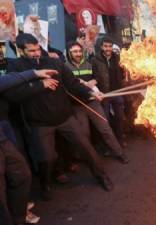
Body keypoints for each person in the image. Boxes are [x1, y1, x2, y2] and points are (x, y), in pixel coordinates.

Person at [5, 33, 114, 200]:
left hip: (65, 118)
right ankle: (45, 184)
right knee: (46, 158)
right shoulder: (15, 67)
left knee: (86, 147)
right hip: (39, 123)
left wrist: (90, 93)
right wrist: (40, 85)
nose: (36, 53)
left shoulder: (54, 62)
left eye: (38, 49)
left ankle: (102, 176)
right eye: (31, 51)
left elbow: (73, 84)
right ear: (20, 51)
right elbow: (13, 94)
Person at [0, 69, 58, 225]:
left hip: (3, 131)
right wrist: (34, 74)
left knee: (21, 174)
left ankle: (19, 215)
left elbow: (7, 81)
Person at [65, 41, 129, 164]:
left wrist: (94, 81)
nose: (78, 54)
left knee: (105, 128)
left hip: (93, 102)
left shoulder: (89, 64)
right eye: (74, 51)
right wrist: (82, 84)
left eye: (79, 51)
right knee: (84, 133)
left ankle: (119, 153)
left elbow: (98, 77)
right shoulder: (66, 68)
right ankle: (90, 158)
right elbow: (69, 86)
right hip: (77, 105)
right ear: (69, 53)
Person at [91, 37, 127, 146]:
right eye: (105, 46)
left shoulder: (117, 58)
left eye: (110, 46)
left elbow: (123, 73)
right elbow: (94, 76)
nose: (108, 48)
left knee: (119, 118)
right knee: (105, 120)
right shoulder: (95, 60)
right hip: (103, 94)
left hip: (117, 92)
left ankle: (119, 140)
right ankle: (108, 144)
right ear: (101, 47)